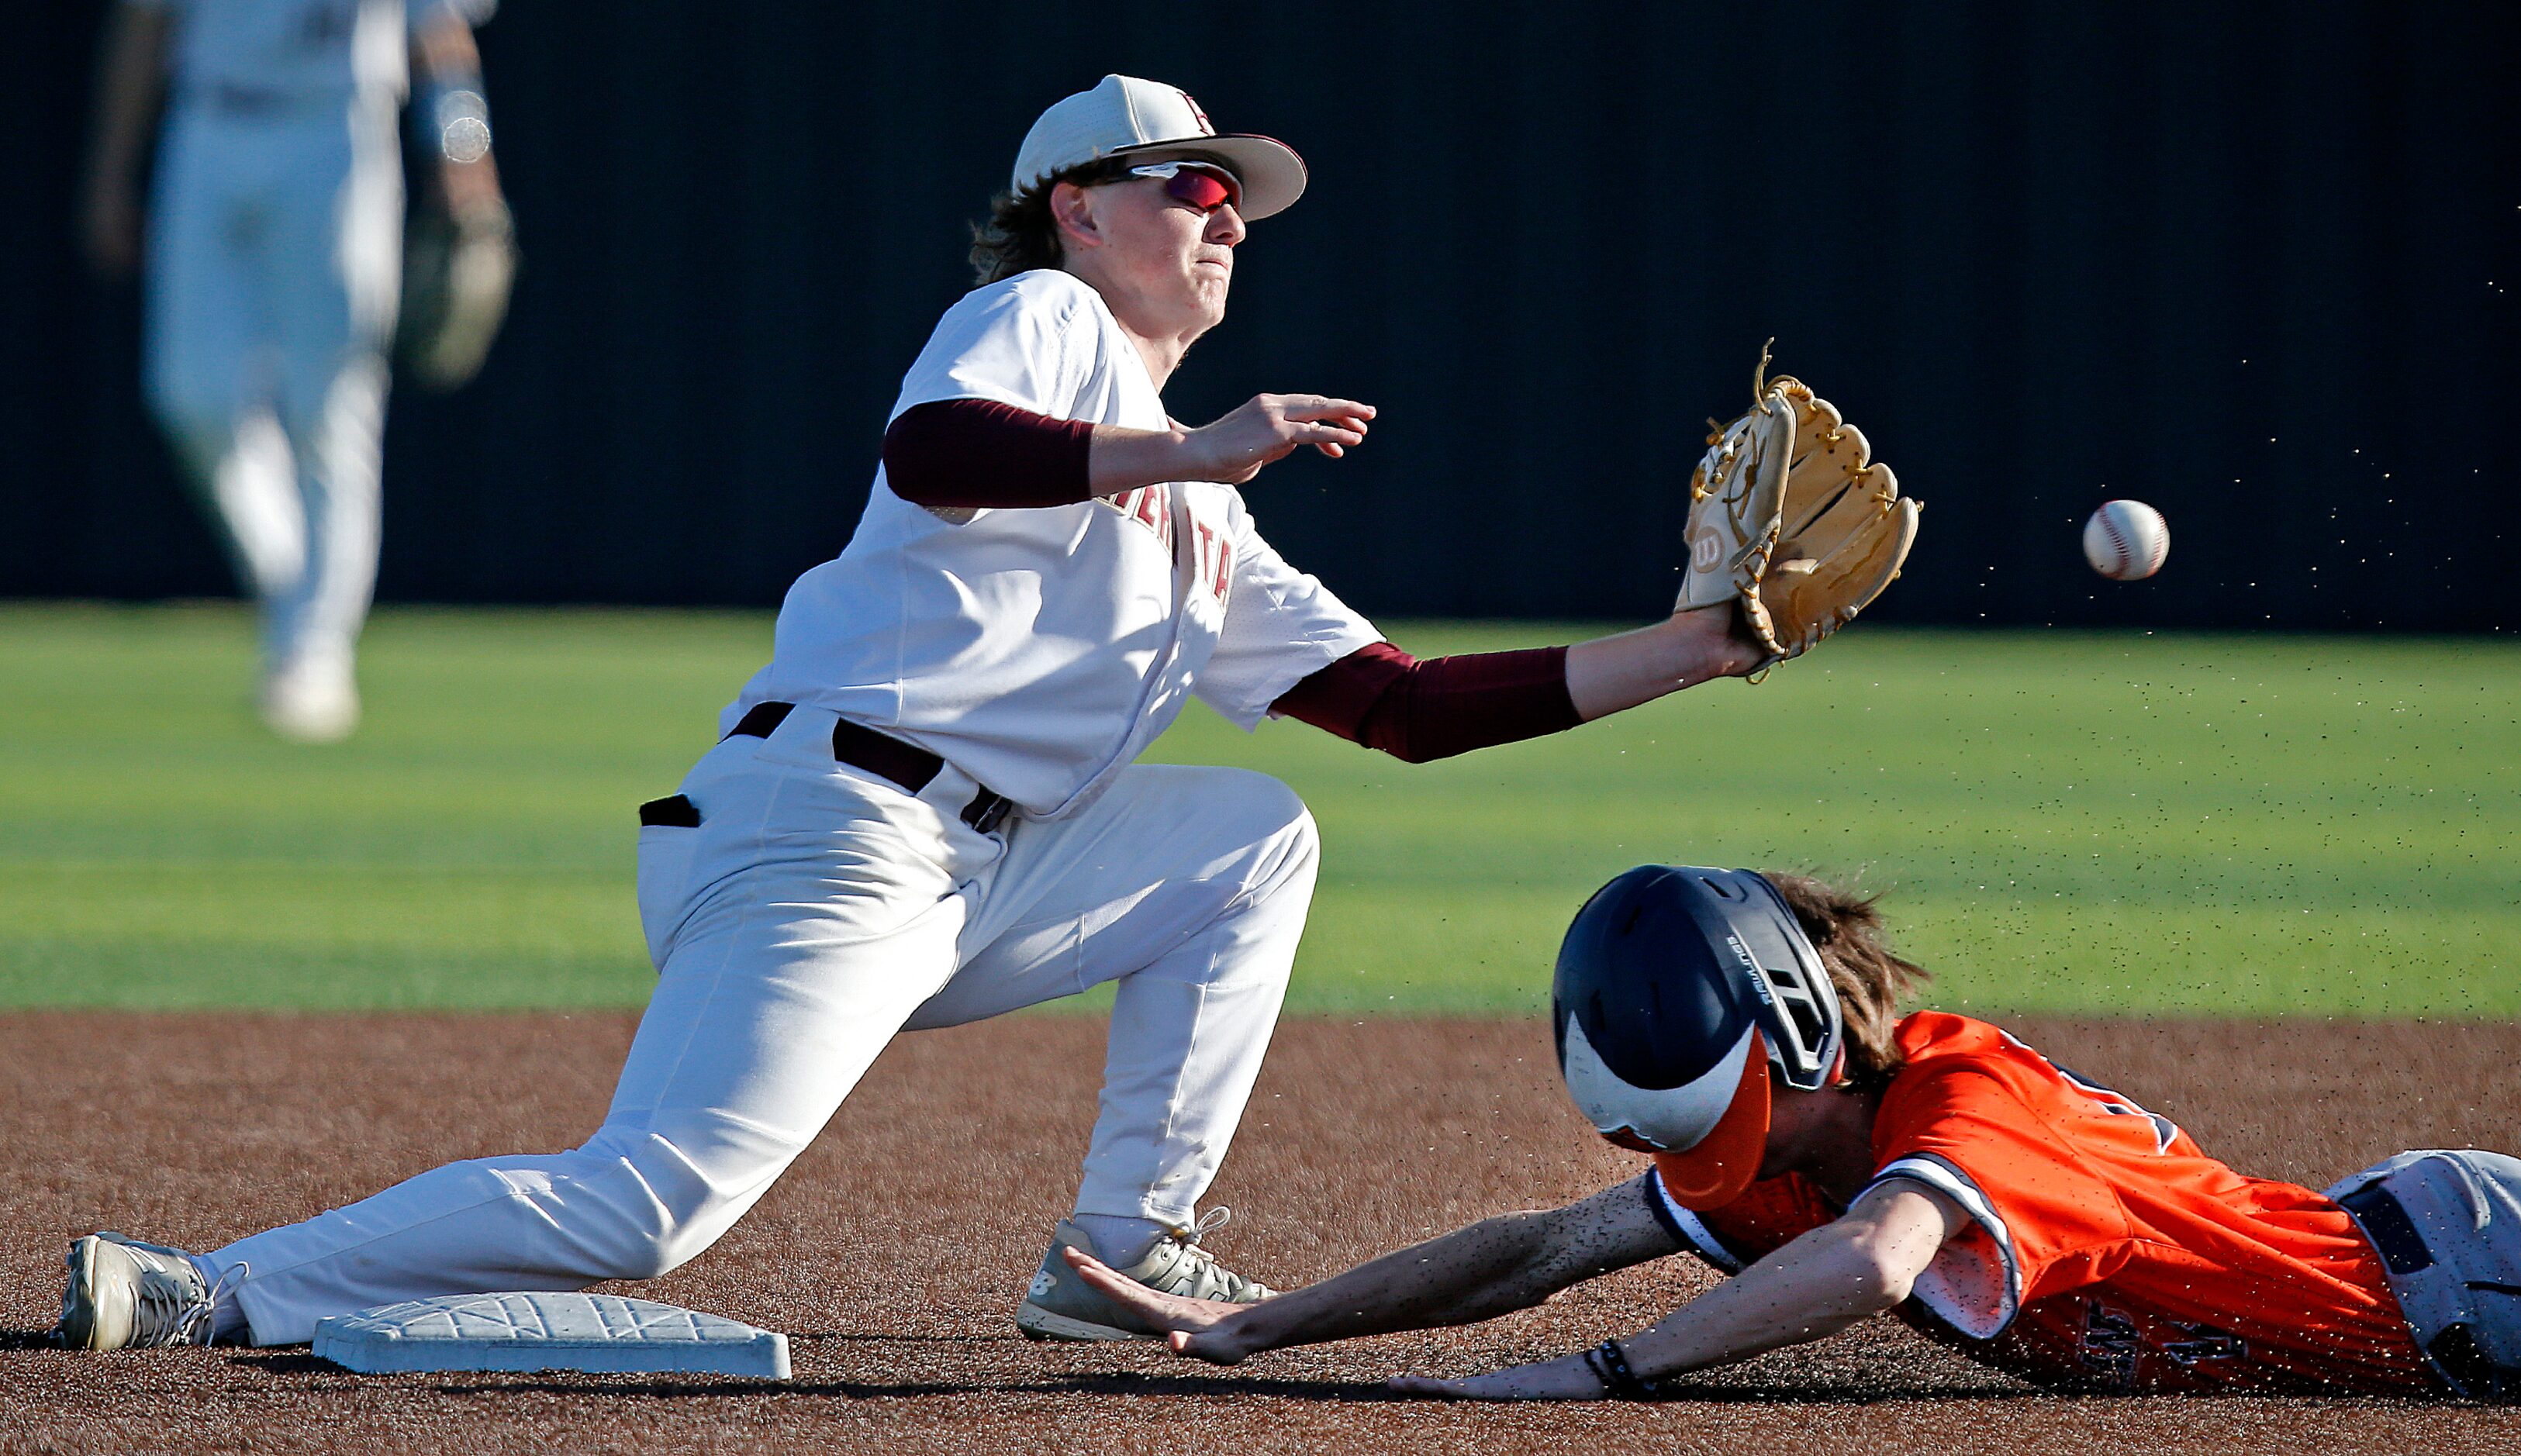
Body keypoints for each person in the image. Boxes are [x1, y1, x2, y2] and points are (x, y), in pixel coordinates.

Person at [56, 74, 1780, 1352]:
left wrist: (1698, 645)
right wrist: (1185, 443)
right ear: (1075, 211)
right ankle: (216, 1283)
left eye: (1231, 197)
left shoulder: (1202, 519)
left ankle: (1121, 1249)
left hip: (971, 867)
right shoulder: (1036, 317)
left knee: (1253, 834)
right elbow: (928, 454)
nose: (1223, 214)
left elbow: (1398, 707)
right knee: (650, 1209)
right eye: (1189, 183)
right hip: (830, 831)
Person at [1064, 865, 2521, 1401]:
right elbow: (1538, 1250)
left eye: (1741, 1117)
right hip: (2400, 1283)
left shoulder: (1964, 1107)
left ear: (1803, 1033)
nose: (1729, 1165)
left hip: (2456, 1270)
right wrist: (1256, 1331)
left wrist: (1607, 1372)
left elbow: (1877, 1264)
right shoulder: (1795, 1159)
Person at [81, 0, 512, 741]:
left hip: (335, 133)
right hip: (209, 122)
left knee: (330, 406)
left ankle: (315, 652)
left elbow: (438, 31)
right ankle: (293, 593)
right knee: (191, 397)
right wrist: (112, 171)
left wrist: (465, 154)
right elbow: (146, 23)